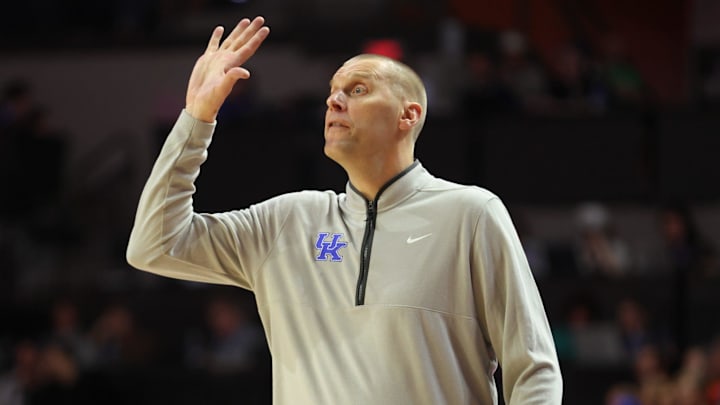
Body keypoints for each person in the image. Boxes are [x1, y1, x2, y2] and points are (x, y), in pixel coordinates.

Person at [126, 16, 562, 404]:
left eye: (357, 90)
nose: (334, 102)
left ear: (407, 115)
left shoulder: (471, 213)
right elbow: (154, 245)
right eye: (332, 93)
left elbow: (534, 369)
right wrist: (195, 120)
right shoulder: (286, 222)